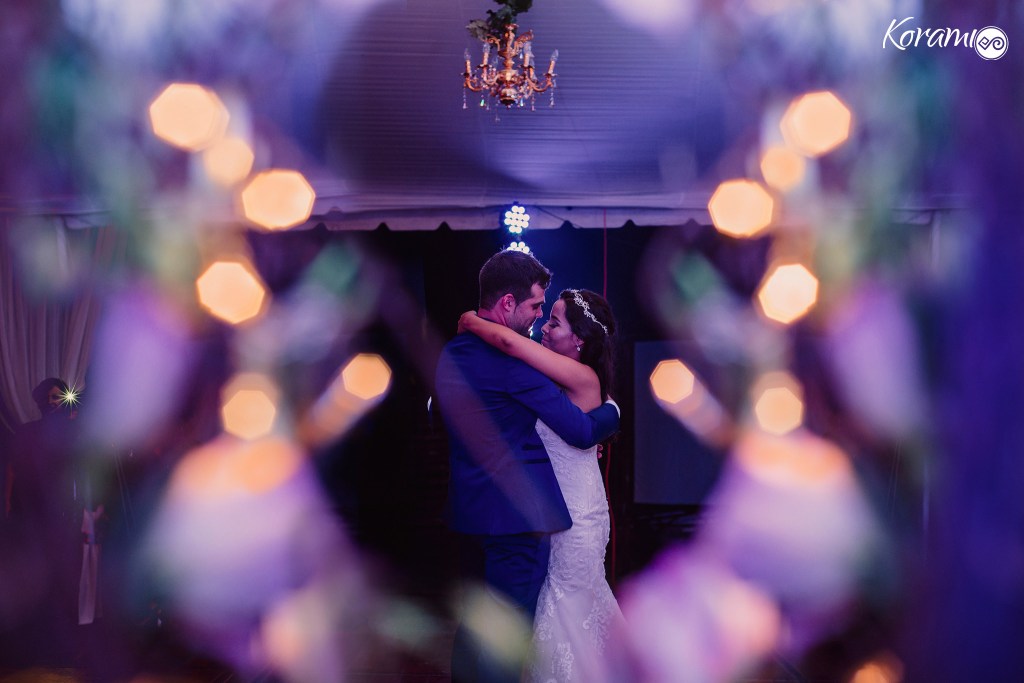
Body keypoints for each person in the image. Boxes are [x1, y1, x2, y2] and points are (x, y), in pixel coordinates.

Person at [435, 250, 620, 683]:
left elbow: (440, 417)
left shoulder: (453, 353)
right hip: (516, 521)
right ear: (506, 305)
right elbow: (577, 430)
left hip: (470, 515)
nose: (540, 319)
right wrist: (613, 414)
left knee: (473, 631)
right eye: (537, 307)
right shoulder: (514, 365)